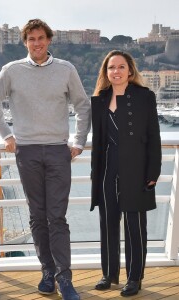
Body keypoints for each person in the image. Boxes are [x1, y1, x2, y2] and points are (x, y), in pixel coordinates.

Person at [0, 19, 91, 300]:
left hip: (59, 151)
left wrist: (78, 141)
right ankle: (47, 272)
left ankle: (65, 278)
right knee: (37, 216)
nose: (36, 43)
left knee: (57, 217)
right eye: (31, 39)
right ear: (25, 42)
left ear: (49, 40)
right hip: (27, 151)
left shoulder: (66, 69)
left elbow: (83, 106)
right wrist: (7, 135)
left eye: (41, 38)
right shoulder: (11, 71)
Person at [90, 50, 161, 297]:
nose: (116, 72)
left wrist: (153, 171)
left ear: (130, 70)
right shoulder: (99, 99)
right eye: (111, 68)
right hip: (107, 168)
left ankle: (134, 278)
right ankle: (109, 274)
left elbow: (154, 136)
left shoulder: (144, 97)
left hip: (136, 168)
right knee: (107, 222)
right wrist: (94, 174)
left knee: (134, 225)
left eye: (121, 67)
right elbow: (98, 141)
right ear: (106, 72)